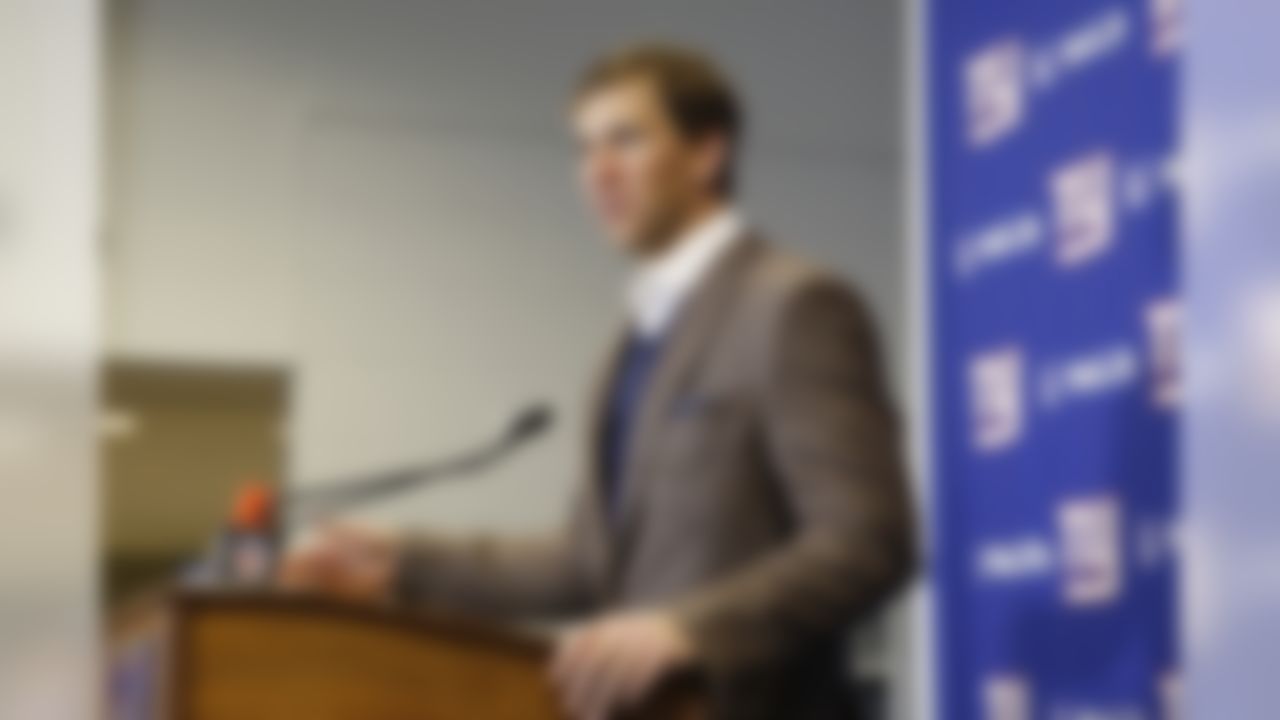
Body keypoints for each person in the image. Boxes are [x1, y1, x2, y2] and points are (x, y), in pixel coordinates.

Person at [282, 43, 916, 720]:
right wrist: (405, 562)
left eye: (626, 141)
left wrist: (691, 630)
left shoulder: (794, 305)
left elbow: (868, 540)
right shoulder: (630, 339)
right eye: (584, 148)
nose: (597, 172)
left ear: (707, 153)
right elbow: (587, 562)